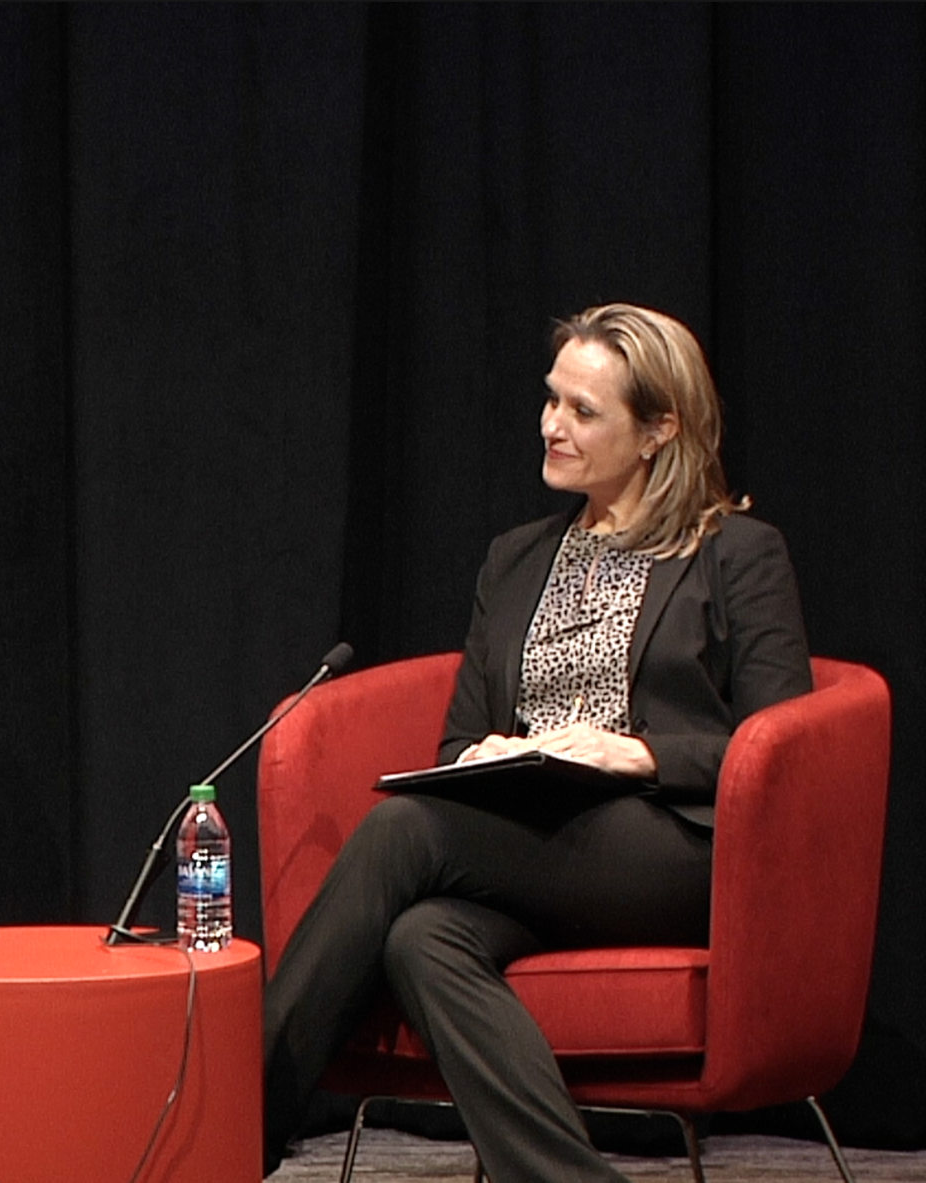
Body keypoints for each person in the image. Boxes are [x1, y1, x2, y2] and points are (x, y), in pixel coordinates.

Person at [262, 304, 812, 1182]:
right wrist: (480, 760)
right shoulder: (515, 559)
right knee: (423, 937)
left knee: (404, 828)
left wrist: (639, 753)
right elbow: (458, 735)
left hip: (672, 846)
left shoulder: (736, 553)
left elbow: (786, 745)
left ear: (659, 430)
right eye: (552, 399)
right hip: (533, 844)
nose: (551, 424)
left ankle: (233, 1127)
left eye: (583, 411)